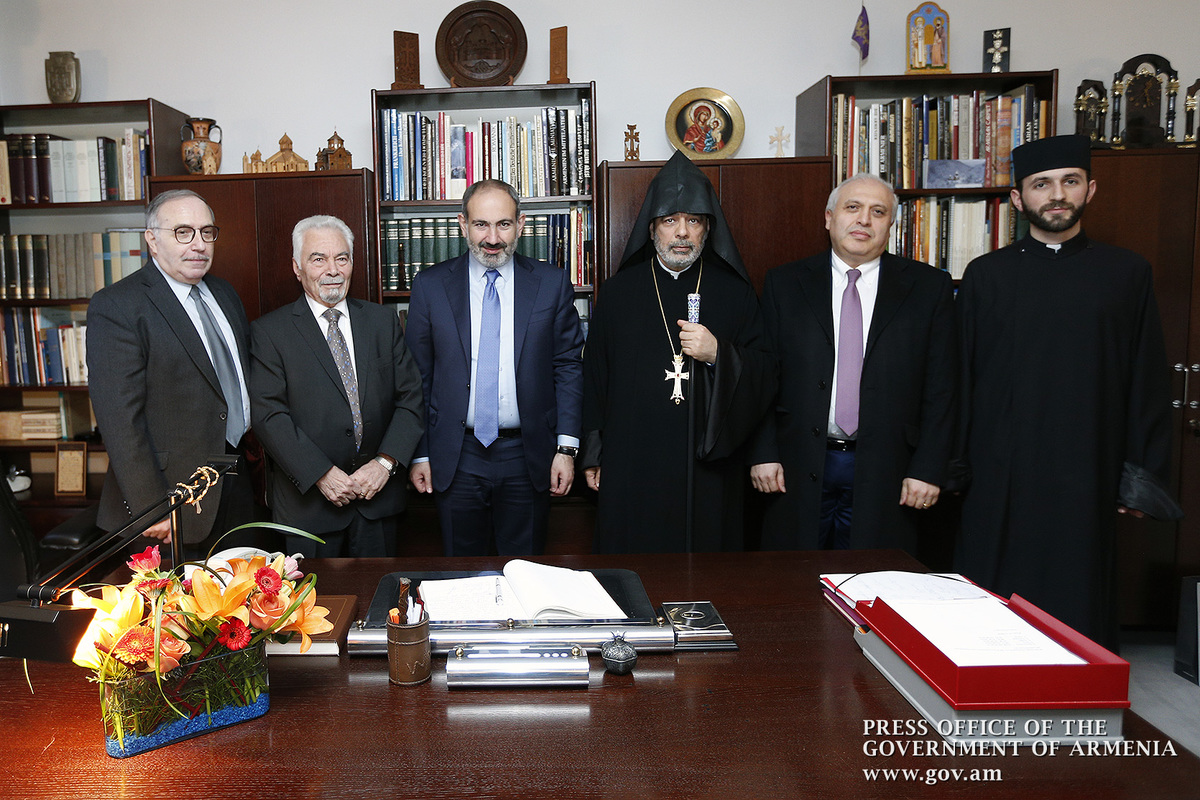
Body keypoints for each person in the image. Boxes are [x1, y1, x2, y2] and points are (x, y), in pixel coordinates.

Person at [954, 134, 1179, 649]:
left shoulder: (1127, 273)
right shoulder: (986, 276)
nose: (1057, 195)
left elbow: (1146, 379)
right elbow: (960, 378)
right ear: (1018, 199)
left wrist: (1140, 476)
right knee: (994, 602)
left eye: (1069, 182)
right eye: (1042, 185)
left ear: (1089, 190)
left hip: (1090, 466)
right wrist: (955, 467)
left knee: (1079, 599)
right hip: (1000, 469)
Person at [749, 173, 956, 553]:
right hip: (796, 466)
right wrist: (764, 454)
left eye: (878, 212)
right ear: (829, 218)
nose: (864, 220)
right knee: (793, 576)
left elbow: (942, 387)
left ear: (891, 225)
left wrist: (927, 468)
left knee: (873, 577)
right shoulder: (785, 283)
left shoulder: (929, 288)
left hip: (891, 470)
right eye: (853, 207)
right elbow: (762, 376)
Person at [582, 150, 775, 553]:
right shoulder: (618, 294)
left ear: (708, 228)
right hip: (633, 459)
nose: (682, 233)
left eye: (694, 221)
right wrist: (594, 454)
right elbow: (595, 377)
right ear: (652, 228)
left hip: (709, 463)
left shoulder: (736, 294)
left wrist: (719, 353)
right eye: (670, 220)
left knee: (706, 565)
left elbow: (766, 374)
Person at [406, 180, 583, 556]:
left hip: (528, 455)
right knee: (460, 572)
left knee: (525, 570)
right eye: (481, 225)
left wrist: (566, 449)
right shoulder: (430, 286)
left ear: (521, 225)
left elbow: (568, 366)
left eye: (503, 224)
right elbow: (417, 378)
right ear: (462, 224)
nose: (492, 238)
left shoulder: (551, 284)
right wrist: (420, 453)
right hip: (456, 455)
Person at [88, 189, 262, 558]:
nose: (198, 244)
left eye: (206, 232)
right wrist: (152, 507)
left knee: (241, 591)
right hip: (170, 501)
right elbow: (119, 420)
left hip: (235, 481)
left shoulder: (224, 293)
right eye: (183, 232)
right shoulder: (118, 305)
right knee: (176, 599)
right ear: (152, 240)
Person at [249, 215, 423, 557]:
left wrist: (386, 462)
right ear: (297, 267)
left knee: (380, 591)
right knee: (314, 594)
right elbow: (269, 416)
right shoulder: (270, 332)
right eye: (319, 259)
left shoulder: (382, 321)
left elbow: (411, 397)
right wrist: (321, 474)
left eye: (342, 258)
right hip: (309, 508)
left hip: (377, 500)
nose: (333, 270)